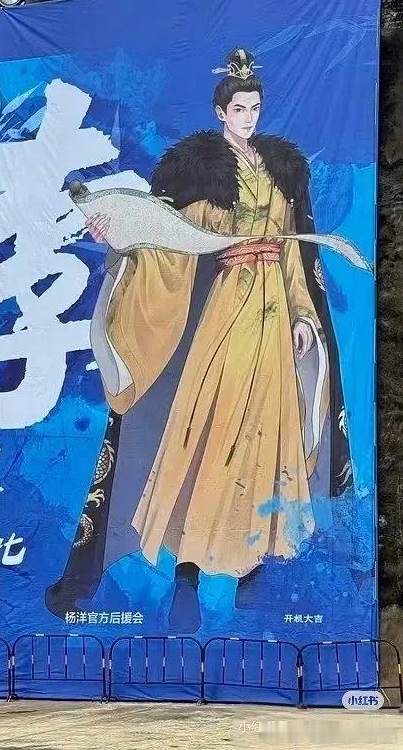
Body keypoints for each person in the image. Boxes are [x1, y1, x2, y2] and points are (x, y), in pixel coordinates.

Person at [46, 48, 353, 632]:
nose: (248, 118)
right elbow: (172, 241)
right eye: (239, 109)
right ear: (220, 112)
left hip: (274, 320)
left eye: (255, 108)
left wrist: (301, 314)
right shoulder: (203, 171)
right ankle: (186, 573)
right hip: (228, 310)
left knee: (268, 439)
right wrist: (124, 235)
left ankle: (253, 572)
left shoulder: (281, 171)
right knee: (211, 434)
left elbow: (293, 252)